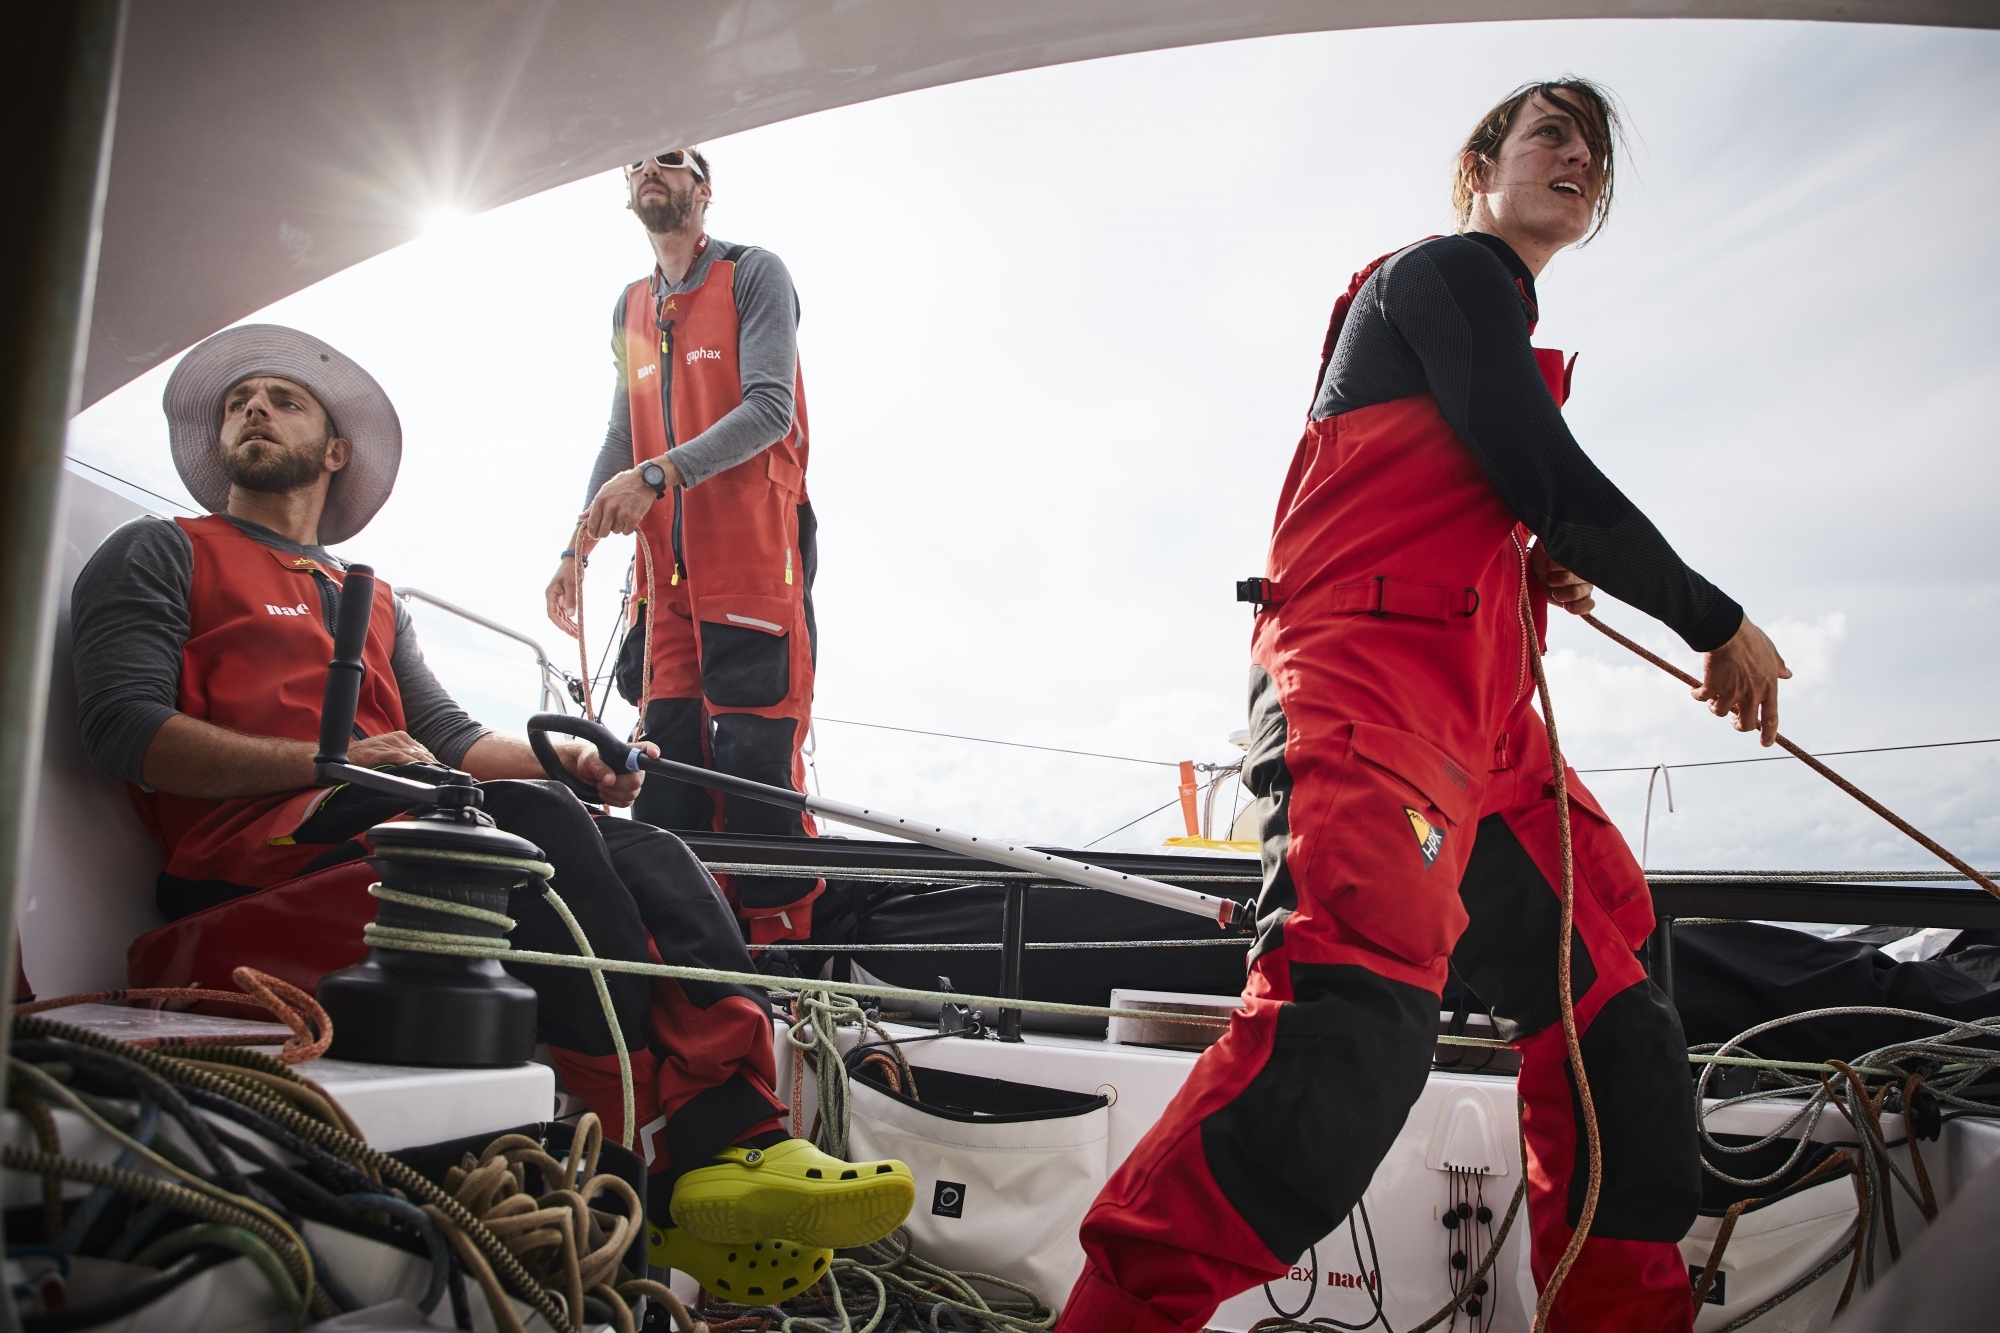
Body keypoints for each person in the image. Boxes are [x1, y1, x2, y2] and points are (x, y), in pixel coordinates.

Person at [1056, 81, 1791, 1333]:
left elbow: (1510, 483)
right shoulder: (1443, 276)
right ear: (1478, 165)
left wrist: (1522, 561)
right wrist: (1713, 621)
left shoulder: (1484, 337)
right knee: (1345, 1036)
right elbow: (1544, 473)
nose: (1576, 157)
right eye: (1548, 132)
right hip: (1366, 703)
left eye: (1592, 150)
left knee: (1616, 1016)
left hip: (1487, 743)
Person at [71, 323, 911, 1268]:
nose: (253, 410)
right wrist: (322, 759)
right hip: (256, 863)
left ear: (334, 451)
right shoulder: (159, 553)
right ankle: (641, 1156)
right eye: (237, 403)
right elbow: (125, 732)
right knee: (530, 833)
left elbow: (460, 744)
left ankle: (739, 1131)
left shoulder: (373, 600)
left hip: (391, 834)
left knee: (655, 853)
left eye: (280, 398)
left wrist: (576, 767)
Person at [546, 145, 821, 945]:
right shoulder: (630, 306)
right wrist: (576, 547)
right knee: (663, 769)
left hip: (751, 557)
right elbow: (618, 433)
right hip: (662, 580)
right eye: (636, 161)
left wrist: (659, 476)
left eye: (670, 159)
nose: (649, 170)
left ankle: (784, 964)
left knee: (754, 767)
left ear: (704, 189)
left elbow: (772, 408)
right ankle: (679, 954)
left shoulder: (754, 274)